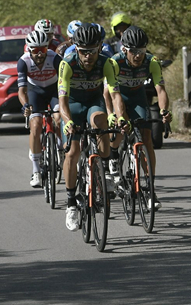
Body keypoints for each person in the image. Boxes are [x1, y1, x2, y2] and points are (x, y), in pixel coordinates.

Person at [58, 24, 126, 231]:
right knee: (73, 152)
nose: (88, 56)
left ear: (99, 47)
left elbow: (115, 94)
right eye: (83, 52)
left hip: (93, 104)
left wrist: (120, 116)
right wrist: (68, 121)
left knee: (100, 122)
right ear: (76, 49)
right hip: (73, 106)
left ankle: (103, 169)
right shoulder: (67, 64)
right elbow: (62, 100)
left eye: (92, 51)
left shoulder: (108, 63)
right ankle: (71, 203)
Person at [104, 25, 172, 210]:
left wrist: (165, 111)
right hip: (117, 97)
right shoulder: (114, 63)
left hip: (137, 98)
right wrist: (112, 115)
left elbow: (160, 90)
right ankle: (114, 158)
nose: (138, 55)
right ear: (124, 49)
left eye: (141, 50)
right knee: (120, 128)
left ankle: (150, 188)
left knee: (147, 138)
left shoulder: (152, 61)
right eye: (133, 51)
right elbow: (108, 94)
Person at [18, 29, 62, 188]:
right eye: (35, 50)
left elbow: (65, 83)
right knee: (35, 125)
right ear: (29, 49)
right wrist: (25, 105)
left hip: (54, 90)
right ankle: (36, 170)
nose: (39, 54)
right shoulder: (23, 61)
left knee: (58, 118)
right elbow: (22, 91)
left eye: (42, 49)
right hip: (35, 91)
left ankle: (60, 147)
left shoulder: (55, 58)